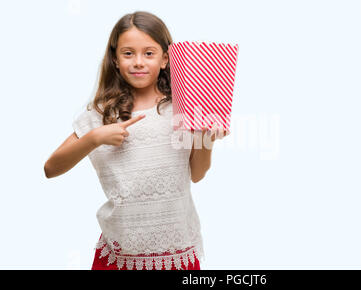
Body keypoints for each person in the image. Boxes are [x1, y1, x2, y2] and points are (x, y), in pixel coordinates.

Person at [44, 11, 229, 270]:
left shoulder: (183, 108)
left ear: (166, 59)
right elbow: (51, 169)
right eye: (128, 53)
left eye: (149, 53)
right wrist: (95, 137)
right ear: (115, 60)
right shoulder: (101, 113)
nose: (138, 62)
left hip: (176, 253)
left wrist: (206, 138)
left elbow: (197, 174)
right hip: (120, 255)